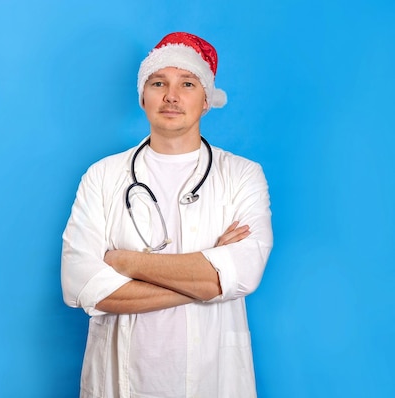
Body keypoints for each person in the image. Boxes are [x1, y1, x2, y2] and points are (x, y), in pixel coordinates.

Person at [61, 32, 273, 398]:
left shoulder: (242, 175)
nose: (171, 96)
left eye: (187, 83)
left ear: (206, 100)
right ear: (143, 96)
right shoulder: (102, 175)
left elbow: (245, 273)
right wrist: (208, 280)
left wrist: (125, 262)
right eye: (159, 83)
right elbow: (80, 284)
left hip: (213, 377)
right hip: (120, 379)